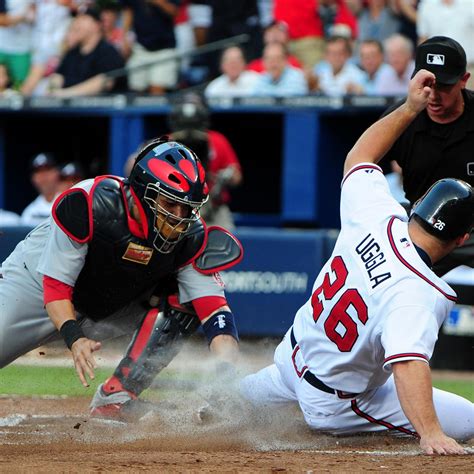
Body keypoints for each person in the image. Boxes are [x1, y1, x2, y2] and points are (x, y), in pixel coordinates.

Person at [240, 69, 474, 455]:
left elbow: (360, 156)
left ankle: (212, 404)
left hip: (289, 361)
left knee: (228, 402)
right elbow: (408, 364)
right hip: (335, 402)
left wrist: (410, 107)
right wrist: (431, 433)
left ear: (417, 207)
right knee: (468, 421)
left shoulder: (376, 214)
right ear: (461, 238)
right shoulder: (418, 292)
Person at [0, 138, 242, 421]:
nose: (179, 218)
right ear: (142, 193)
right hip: (35, 288)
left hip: (109, 303)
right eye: (170, 204)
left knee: (184, 298)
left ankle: (117, 395)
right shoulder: (90, 202)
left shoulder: (191, 239)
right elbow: (55, 289)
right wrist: (74, 338)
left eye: (186, 208)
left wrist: (227, 374)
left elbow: (215, 313)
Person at [382, 36, 473, 275]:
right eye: (427, 84)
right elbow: (360, 166)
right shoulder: (400, 117)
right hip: (421, 228)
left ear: (463, 81)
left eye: (443, 86)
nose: (433, 95)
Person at [169, 93, 243, 230]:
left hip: (214, 208)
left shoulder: (217, 140)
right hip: (177, 208)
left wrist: (227, 175)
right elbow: (133, 167)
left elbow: (237, 177)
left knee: (226, 245)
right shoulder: (167, 142)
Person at [47, 8, 126, 97]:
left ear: (97, 25)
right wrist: (53, 89)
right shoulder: (72, 53)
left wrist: (66, 94)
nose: (77, 23)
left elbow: (105, 82)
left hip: (103, 109)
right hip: (71, 109)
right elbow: (58, 77)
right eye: (77, 19)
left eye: (83, 19)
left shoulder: (108, 52)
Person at [122, 0, 180, 94]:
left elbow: (175, 12)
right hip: (140, 47)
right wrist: (124, 36)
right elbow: (128, 11)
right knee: (136, 90)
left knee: (157, 91)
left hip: (164, 48)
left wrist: (157, 2)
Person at [20, 152, 60, 226]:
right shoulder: (30, 212)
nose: (43, 176)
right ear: (33, 178)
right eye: (38, 171)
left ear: (56, 173)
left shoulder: (67, 204)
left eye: (47, 169)